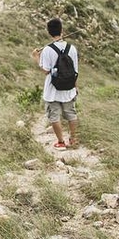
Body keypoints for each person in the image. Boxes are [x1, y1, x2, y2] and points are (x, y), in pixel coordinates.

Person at [31, 17, 78, 150]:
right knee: (71, 114)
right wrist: (76, 87)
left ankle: (61, 142)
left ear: (49, 32)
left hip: (53, 90)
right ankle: (73, 140)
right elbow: (75, 71)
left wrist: (36, 57)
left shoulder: (47, 50)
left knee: (54, 116)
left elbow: (46, 70)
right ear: (62, 30)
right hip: (69, 88)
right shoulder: (72, 48)